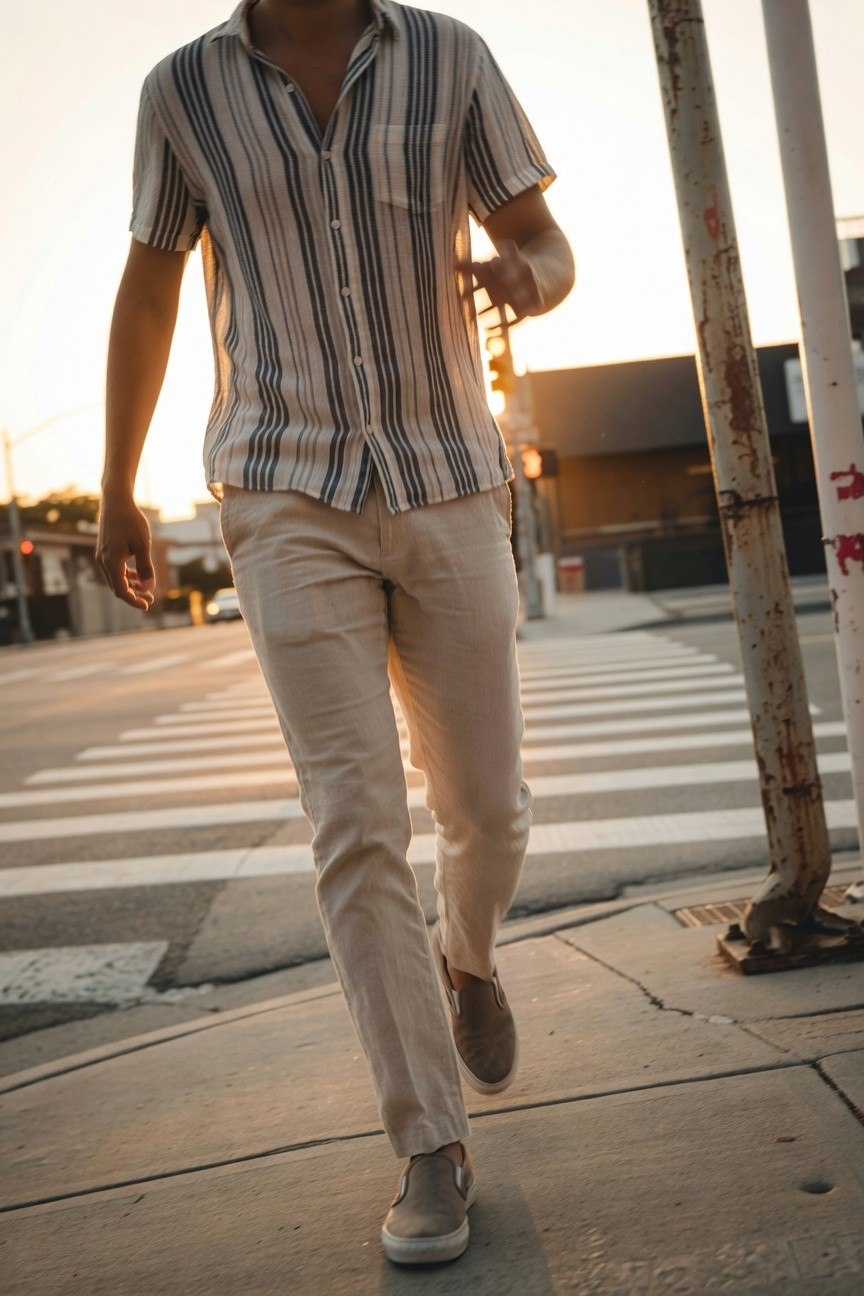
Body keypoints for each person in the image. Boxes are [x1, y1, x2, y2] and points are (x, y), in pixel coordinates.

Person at [97, 0, 574, 1266]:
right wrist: (113, 486)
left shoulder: (453, 58)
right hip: (280, 488)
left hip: (449, 479)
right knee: (355, 818)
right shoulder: (182, 92)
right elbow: (149, 289)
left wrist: (538, 275)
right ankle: (429, 1140)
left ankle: (465, 956)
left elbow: (542, 233)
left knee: (490, 806)